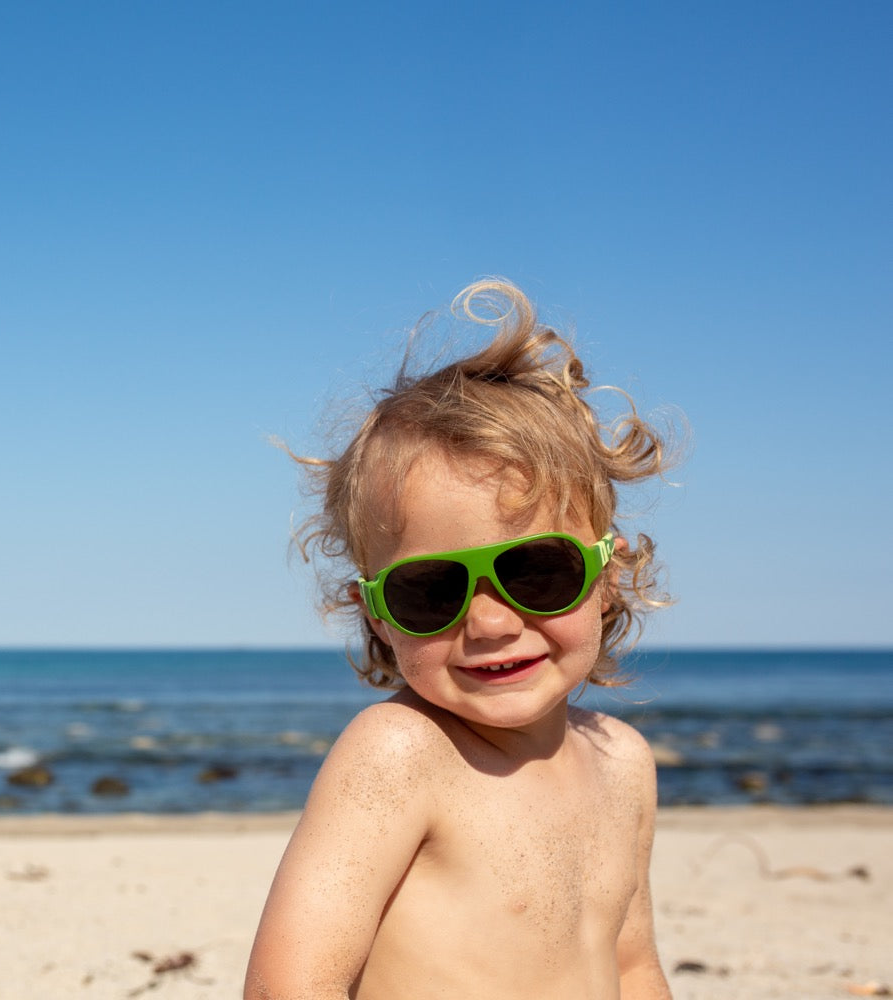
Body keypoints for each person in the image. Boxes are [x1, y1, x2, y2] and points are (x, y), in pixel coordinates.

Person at [245, 279, 676, 999]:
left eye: (538, 572)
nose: (490, 622)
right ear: (377, 613)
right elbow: (291, 984)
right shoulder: (401, 753)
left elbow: (632, 966)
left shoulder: (623, 763)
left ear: (608, 576)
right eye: (431, 591)